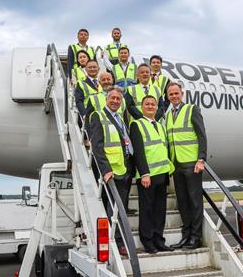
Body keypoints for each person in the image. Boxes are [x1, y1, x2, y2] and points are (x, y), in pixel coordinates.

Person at [89, 87, 134, 256]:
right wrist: (105, 170)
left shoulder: (120, 118)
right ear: (106, 100)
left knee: (120, 207)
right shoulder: (98, 116)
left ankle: (119, 239)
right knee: (115, 208)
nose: (115, 101)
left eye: (118, 99)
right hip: (112, 172)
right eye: (112, 98)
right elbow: (97, 145)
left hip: (123, 168)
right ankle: (118, 241)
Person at [165, 82, 207, 250]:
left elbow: (202, 135)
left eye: (176, 93)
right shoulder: (168, 115)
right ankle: (186, 236)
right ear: (168, 97)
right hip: (176, 164)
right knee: (182, 202)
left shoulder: (192, 109)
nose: (174, 96)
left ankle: (195, 238)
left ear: (182, 94)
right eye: (171, 94)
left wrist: (201, 159)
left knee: (195, 201)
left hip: (192, 164)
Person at [130, 96, 174, 253]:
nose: (150, 106)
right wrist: (144, 174)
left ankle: (158, 239)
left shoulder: (160, 126)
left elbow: (164, 149)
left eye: (153, 104)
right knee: (147, 209)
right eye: (147, 104)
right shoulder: (136, 124)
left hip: (162, 174)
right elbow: (139, 152)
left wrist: (168, 171)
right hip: (148, 175)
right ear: (142, 107)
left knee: (159, 210)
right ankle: (147, 240)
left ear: (157, 108)